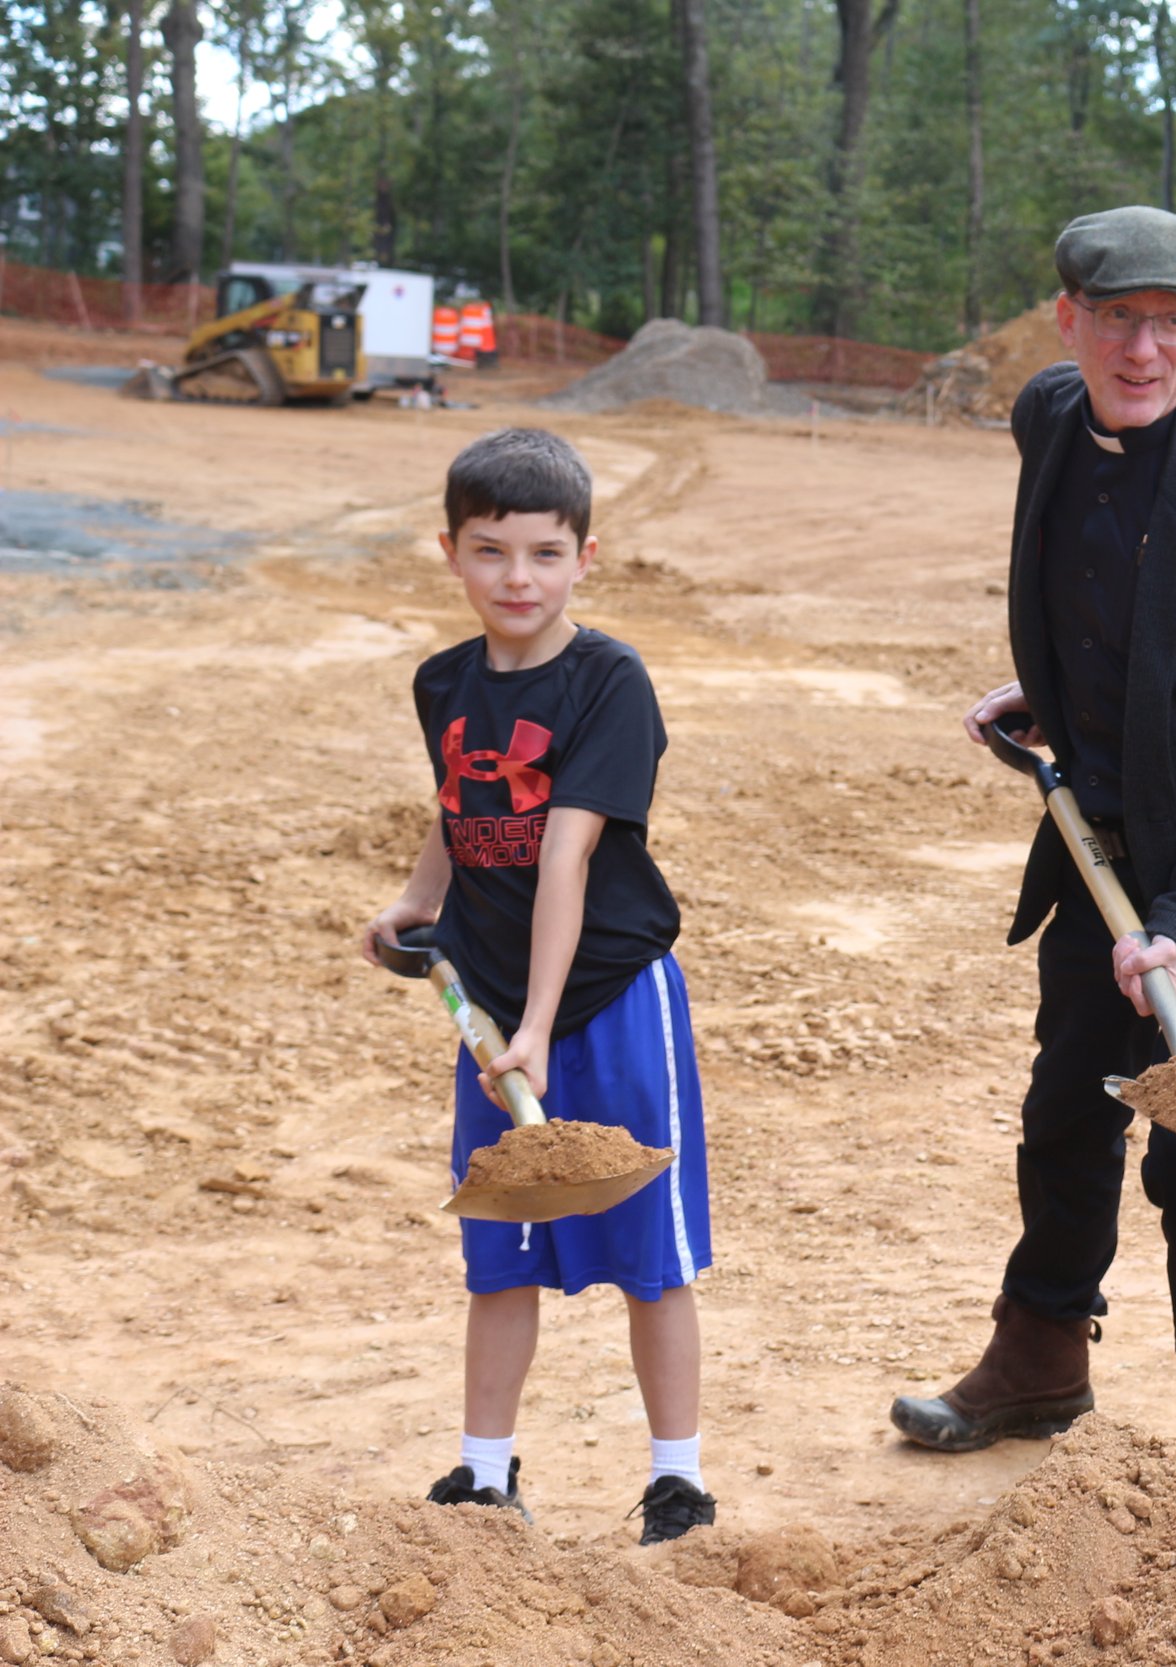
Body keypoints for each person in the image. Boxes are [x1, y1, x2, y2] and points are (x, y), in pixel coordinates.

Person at [890, 206, 1176, 1450]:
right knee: (1066, 1107)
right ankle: (1039, 1355)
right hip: (1110, 832)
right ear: (1068, 323)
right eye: (1118, 322)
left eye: (1172, 324)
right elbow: (1107, 603)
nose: (1144, 352)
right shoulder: (1049, 416)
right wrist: (1068, 700)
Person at [359, 427, 718, 1543]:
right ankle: (482, 1470)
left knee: (646, 1249)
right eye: (493, 551)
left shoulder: (607, 681)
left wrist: (544, 1031)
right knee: (499, 1244)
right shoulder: (443, 681)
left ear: (586, 555)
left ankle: (678, 1478)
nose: (520, 578)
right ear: (452, 553)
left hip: (607, 996)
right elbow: (460, 808)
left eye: (545, 554)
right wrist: (418, 903)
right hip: (491, 1007)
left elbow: (564, 856)